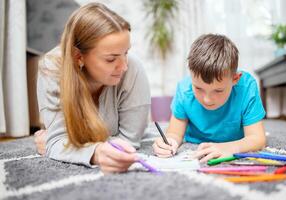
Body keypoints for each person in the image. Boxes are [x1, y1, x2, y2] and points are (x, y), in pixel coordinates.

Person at [34, 3, 150, 173]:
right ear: (78, 56)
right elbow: (57, 142)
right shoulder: (52, 67)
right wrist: (94, 152)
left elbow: (130, 140)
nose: (124, 66)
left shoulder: (133, 67)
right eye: (111, 59)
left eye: (126, 52)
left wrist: (69, 146)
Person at [152, 34, 266, 162]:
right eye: (198, 88)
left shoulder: (246, 86)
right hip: (196, 143)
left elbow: (257, 139)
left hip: (234, 141)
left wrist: (230, 148)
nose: (207, 99)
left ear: (235, 79)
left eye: (218, 90)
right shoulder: (184, 90)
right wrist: (168, 143)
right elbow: (175, 133)